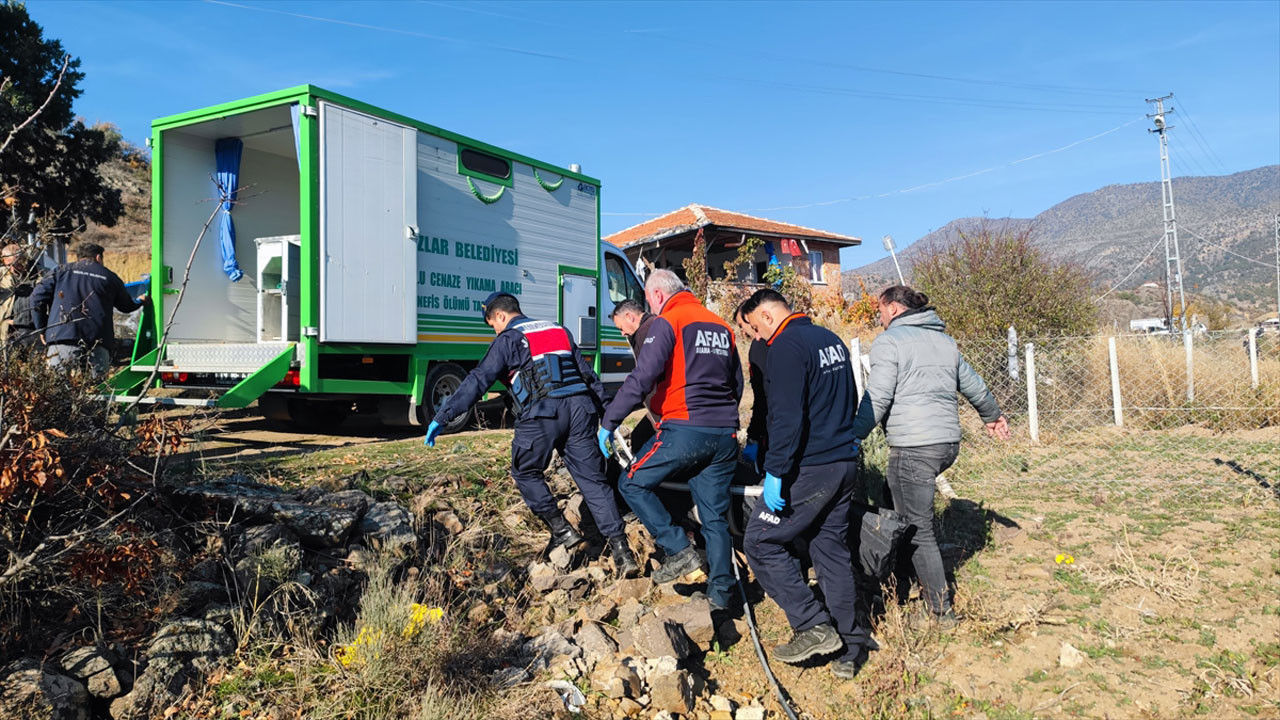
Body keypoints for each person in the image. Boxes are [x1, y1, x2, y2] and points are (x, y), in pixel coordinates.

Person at [422, 292, 639, 577]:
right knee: (594, 482)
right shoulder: (559, 330)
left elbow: (479, 380)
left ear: (500, 316)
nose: (495, 330)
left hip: (541, 413)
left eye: (492, 324)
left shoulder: (509, 339)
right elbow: (587, 376)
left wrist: (443, 416)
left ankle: (561, 530)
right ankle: (623, 552)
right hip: (580, 410)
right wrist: (608, 417)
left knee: (525, 471)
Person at [851, 285, 1010, 626]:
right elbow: (974, 385)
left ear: (893, 309)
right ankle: (898, 582)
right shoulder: (944, 342)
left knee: (918, 529)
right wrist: (992, 416)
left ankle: (940, 611)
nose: (879, 318)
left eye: (880, 311)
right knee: (893, 509)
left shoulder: (890, 342)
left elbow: (877, 397)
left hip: (914, 447)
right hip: (946, 443)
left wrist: (852, 436)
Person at [739, 289, 876, 678]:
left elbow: (786, 419)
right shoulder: (828, 339)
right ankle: (851, 645)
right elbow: (849, 396)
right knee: (828, 549)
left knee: (760, 542)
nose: (758, 338)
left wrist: (776, 473)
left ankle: (811, 625)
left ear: (766, 316)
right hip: (843, 462)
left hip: (809, 469)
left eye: (755, 328)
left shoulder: (785, 347)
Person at [598, 269, 743, 610]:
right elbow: (736, 385)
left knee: (631, 482)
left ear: (658, 296)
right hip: (724, 435)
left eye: (650, 301)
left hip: (685, 429)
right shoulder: (722, 326)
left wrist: (609, 421)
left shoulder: (669, 321)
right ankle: (721, 598)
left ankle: (679, 550)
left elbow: (642, 377)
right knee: (714, 518)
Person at [30, 242, 145, 375]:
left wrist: (42, 329)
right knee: (97, 390)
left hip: (61, 339)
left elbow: (36, 298)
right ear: (98, 258)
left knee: (58, 387)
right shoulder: (109, 277)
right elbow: (126, 306)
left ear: (78, 257)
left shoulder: (60, 271)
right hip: (97, 342)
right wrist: (139, 301)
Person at [733, 301, 769, 474]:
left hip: (770, 433)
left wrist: (754, 435)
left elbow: (763, 395)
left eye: (742, 325)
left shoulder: (759, 347)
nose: (743, 332)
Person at [1, 243, 40, 348]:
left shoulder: (38, 279)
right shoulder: (2, 278)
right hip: (8, 334)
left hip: (33, 333)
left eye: (17, 264)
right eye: (9, 265)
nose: (13, 269)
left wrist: (19, 320)